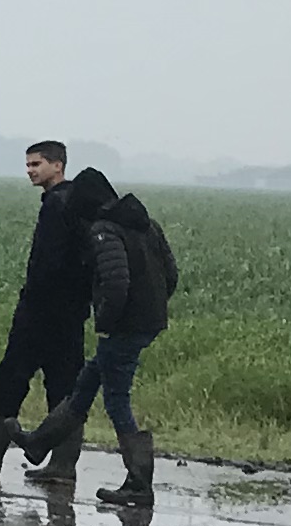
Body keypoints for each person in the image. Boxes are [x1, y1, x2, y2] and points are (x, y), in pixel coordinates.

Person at [20, 172, 179, 505]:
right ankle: (39, 443)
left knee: (117, 399)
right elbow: (171, 274)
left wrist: (106, 320)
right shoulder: (146, 224)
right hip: (147, 321)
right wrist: (153, 308)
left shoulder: (104, 230)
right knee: (86, 384)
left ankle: (139, 483)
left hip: (125, 326)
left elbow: (115, 282)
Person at [0, 142, 93, 482]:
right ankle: (63, 465)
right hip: (72, 313)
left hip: (42, 311)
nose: (30, 170)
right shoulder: (80, 204)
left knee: (10, 376)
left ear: (58, 166)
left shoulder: (56, 204)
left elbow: (47, 263)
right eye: (28, 165)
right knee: (65, 386)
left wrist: (31, 300)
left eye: (37, 164)